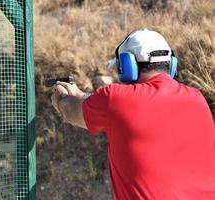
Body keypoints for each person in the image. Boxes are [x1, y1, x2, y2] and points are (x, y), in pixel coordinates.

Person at [51, 29, 215, 199]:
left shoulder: (115, 98)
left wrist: (61, 96)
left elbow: (72, 112)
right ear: (171, 64)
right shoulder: (197, 99)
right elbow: (132, 107)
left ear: (127, 65)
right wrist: (80, 95)